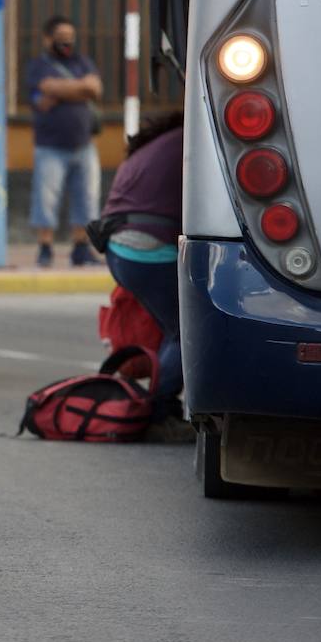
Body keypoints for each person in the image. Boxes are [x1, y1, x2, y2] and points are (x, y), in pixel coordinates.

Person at [98, 110, 189, 442]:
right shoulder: (193, 140)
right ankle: (158, 412)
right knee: (185, 331)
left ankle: (158, 405)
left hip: (119, 248)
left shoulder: (159, 143)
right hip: (147, 248)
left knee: (171, 328)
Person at [25, 15, 104, 268]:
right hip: (50, 147)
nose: (67, 42)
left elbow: (95, 89)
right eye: (61, 38)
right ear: (47, 39)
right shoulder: (39, 66)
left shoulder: (82, 61)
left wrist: (62, 91)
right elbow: (45, 92)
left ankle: (81, 248)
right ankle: (45, 248)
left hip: (84, 145)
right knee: (46, 199)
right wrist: (80, 89)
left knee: (86, 198)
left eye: (70, 38)